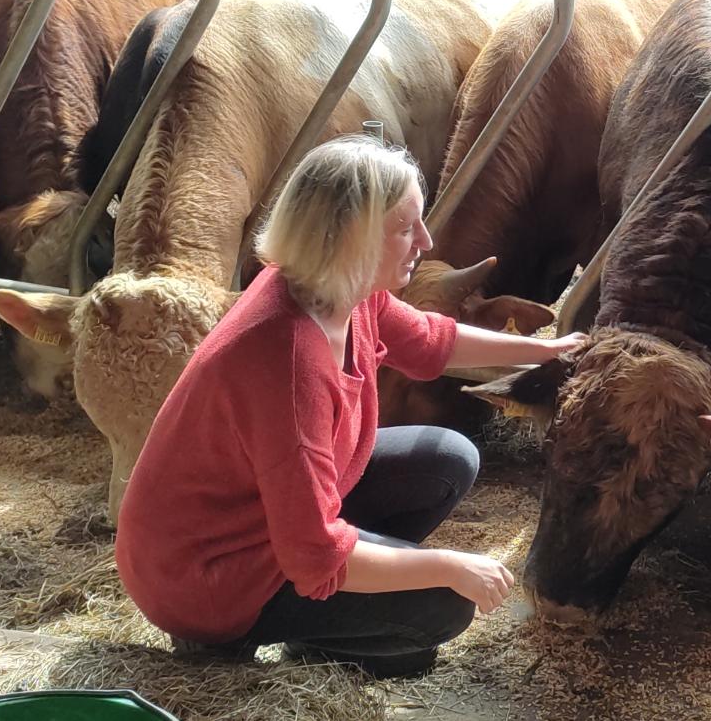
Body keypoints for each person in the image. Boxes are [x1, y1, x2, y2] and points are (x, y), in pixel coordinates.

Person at [113, 134, 581, 677]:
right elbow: (314, 555)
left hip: (255, 519)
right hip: (205, 576)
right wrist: (449, 566)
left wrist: (544, 350)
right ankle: (267, 641)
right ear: (349, 239)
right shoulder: (288, 361)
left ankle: (333, 616)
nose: (425, 242)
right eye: (405, 228)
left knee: (449, 458)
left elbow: (433, 340)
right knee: (444, 604)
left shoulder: (337, 291)